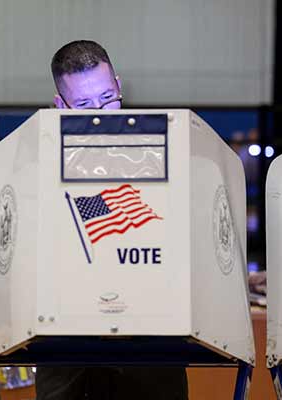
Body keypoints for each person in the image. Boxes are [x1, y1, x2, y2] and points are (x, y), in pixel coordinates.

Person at [35, 40, 188, 400]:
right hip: (66, 344)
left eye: (108, 97)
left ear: (119, 85)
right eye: (85, 105)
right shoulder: (36, 164)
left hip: (151, 341)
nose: (101, 112)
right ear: (60, 105)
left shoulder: (165, 151)